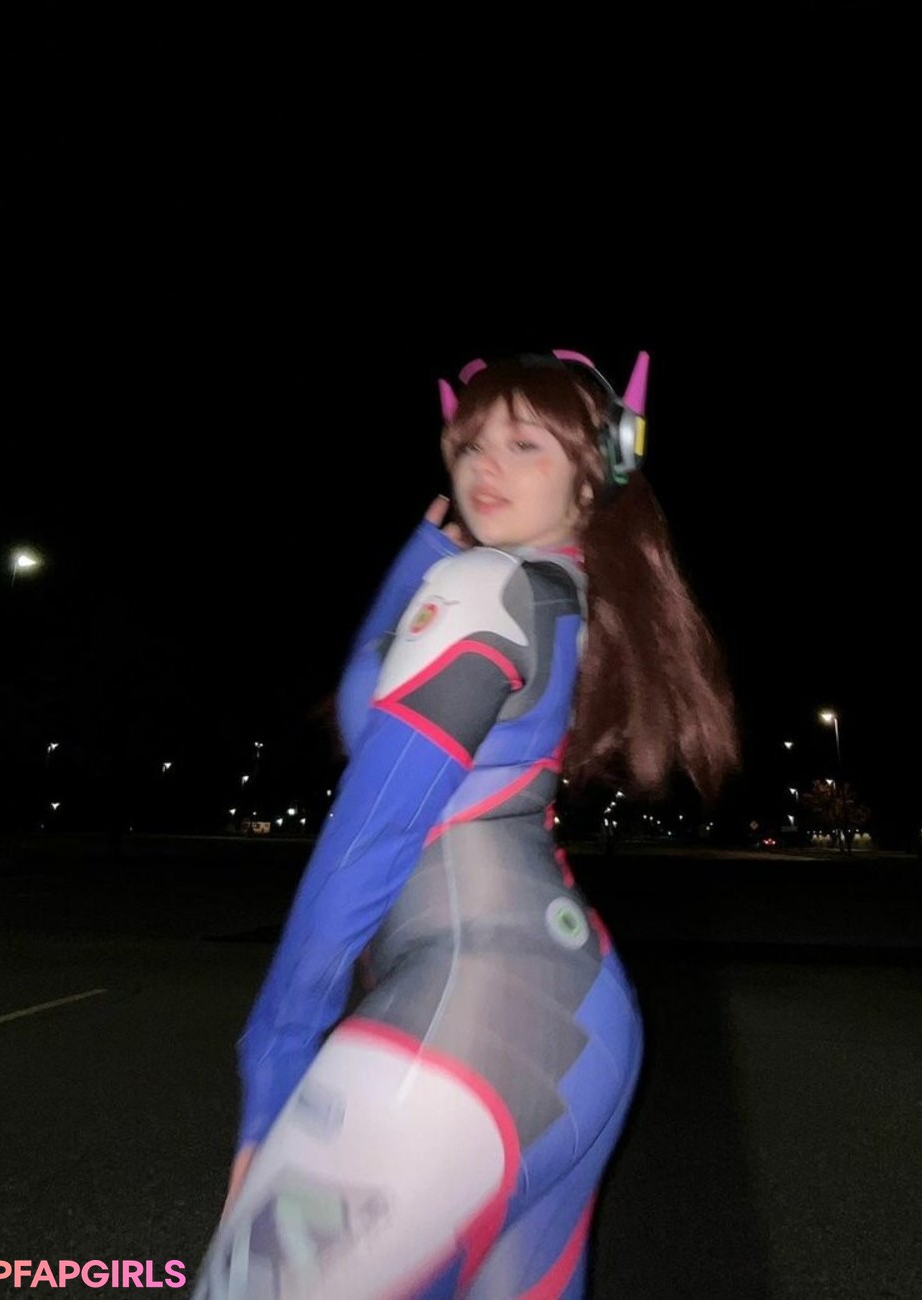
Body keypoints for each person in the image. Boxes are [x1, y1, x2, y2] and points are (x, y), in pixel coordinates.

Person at [192, 348, 740, 1299]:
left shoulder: (487, 589)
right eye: (471, 441)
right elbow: (378, 706)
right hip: (576, 1025)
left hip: (471, 1024)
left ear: (594, 471)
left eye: (525, 444)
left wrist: (276, 1052)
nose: (486, 464)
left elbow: (371, 836)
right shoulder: (552, 590)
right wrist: (422, 560)